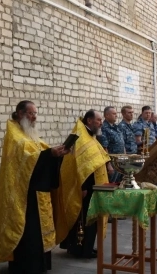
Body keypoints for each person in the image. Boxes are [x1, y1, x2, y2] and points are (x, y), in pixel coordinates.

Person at [0, 100, 70, 274]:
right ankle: (26, 267)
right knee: (30, 234)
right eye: (30, 113)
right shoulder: (15, 135)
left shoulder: (29, 134)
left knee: (38, 235)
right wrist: (50, 154)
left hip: (38, 192)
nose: (34, 117)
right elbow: (26, 158)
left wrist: (56, 154)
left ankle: (40, 265)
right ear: (20, 114)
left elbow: (40, 154)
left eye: (35, 113)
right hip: (25, 197)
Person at [59, 110, 111, 259]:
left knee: (91, 218)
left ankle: (87, 247)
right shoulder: (81, 136)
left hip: (93, 185)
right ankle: (80, 249)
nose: (101, 123)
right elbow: (81, 165)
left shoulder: (90, 136)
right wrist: (83, 187)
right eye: (99, 120)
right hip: (85, 186)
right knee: (84, 218)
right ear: (89, 121)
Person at [100, 106, 125, 182]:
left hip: (120, 162)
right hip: (112, 163)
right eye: (114, 114)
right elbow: (104, 148)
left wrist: (125, 158)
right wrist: (108, 164)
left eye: (116, 113)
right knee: (112, 185)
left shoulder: (116, 127)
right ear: (107, 115)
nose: (116, 115)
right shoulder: (103, 128)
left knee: (120, 184)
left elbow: (122, 143)